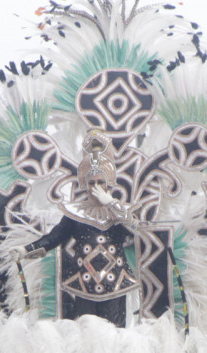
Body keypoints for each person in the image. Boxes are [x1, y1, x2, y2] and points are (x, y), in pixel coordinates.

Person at [22, 130, 139, 326]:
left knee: (114, 336)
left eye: (101, 182)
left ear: (109, 183)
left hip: (115, 283)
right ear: (85, 184)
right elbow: (54, 237)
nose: (96, 187)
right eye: (92, 183)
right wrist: (25, 250)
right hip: (84, 284)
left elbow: (136, 230)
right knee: (86, 334)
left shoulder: (119, 212)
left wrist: (111, 204)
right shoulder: (75, 213)